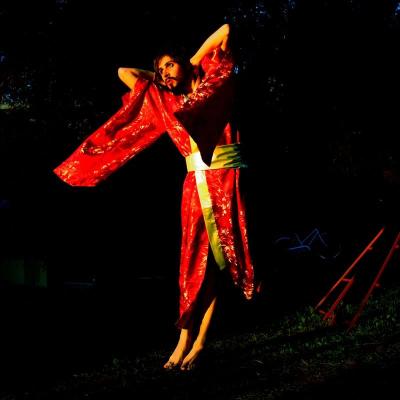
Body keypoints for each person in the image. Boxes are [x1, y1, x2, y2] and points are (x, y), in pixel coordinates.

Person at [53, 23, 256, 371]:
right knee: (194, 264)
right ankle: (183, 341)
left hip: (227, 180)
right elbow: (124, 72)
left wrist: (191, 62)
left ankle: (201, 342)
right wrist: (162, 78)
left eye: (169, 65)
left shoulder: (214, 80)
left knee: (219, 265)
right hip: (195, 186)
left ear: (185, 62)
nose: (165, 73)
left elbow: (225, 30)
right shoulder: (165, 101)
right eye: (160, 70)